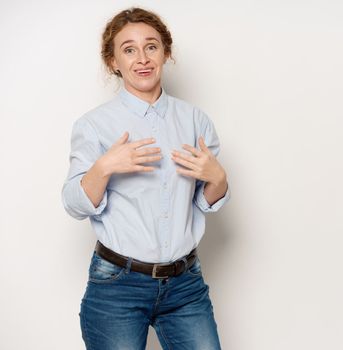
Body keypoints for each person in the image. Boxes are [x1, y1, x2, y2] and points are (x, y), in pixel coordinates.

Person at [61, 7, 230, 350]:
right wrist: (104, 167)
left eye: (151, 47)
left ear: (166, 53)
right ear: (113, 62)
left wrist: (219, 178)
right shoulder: (95, 126)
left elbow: (205, 200)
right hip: (117, 287)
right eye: (129, 49)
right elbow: (74, 204)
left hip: (186, 286)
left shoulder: (195, 121)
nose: (142, 58)